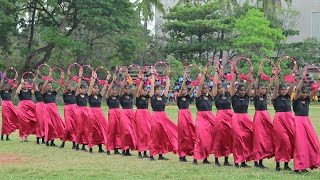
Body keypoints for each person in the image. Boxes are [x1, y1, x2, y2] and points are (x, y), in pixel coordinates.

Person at [292, 72, 320, 174]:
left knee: (311, 142)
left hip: (306, 121)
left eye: (305, 93)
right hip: (298, 121)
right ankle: (297, 167)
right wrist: (302, 79)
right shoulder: (295, 100)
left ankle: (305, 165)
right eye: (302, 93)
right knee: (300, 145)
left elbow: (315, 89)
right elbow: (298, 89)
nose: (304, 94)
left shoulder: (307, 100)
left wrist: (319, 80)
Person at [149, 69, 178, 161]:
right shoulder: (153, 98)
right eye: (158, 89)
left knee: (162, 135)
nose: (159, 91)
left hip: (163, 117)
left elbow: (167, 87)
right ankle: (152, 154)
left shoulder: (163, 98)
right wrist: (153, 74)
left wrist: (168, 77)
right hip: (155, 116)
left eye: (160, 89)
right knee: (154, 135)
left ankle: (161, 154)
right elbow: (152, 85)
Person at [229, 68, 254, 168]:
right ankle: (236, 161)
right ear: (237, 91)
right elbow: (231, 85)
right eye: (241, 90)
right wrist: (234, 74)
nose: (243, 92)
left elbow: (250, 84)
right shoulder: (234, 97)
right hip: (236, 118)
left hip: (246, 118)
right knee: (237, 139)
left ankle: (243, 161)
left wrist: (251, 73)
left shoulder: (247, 97)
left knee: (246, 139)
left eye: (244, 90)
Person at [252, 67, 275, 168]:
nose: (264, 90)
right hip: (258, 117)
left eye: (264, 89)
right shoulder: (256, 96)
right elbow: (256, 86)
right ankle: (256, 161)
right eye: (262, 88)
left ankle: (261, 161)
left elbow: (270, 86)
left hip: (265, 116)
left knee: (265, 138)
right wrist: (258, 75)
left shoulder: (265, 96)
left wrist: (273, 76)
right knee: (258, 138)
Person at [272, 72, 295, 172]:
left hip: (289, 118)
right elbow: (276, 87)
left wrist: (293, 74)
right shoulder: (275, 98)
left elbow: (292, 85)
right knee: (281, 141)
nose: (284, 91)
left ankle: (286, 164)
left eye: (285, 89)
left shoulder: (287, 96)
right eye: (282, 89)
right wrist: (276, 76)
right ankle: (278, 164)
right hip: (279, 119)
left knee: (289, 142)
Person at [193, 67, 216, 165]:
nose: (205, 89)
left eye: (207, 88)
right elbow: (200, 86)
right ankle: (195, 158)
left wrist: (216, 72)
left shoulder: (210, 97)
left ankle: (205, 158)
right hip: (201, 118)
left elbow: (215, 84)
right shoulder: (198, 97)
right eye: (204, 88)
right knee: (200, 137)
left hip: (210, 118)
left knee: (208, 138)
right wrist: (203, 75)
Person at [212, 65, 233, 167]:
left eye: (222, 88)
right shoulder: (216, 96)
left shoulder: (229, 95)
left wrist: (234, 73)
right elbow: (215, 84)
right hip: (220, 118)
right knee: (219, 138)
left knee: (228, 138)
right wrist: (216, 72)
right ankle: (216, 159)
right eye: (219, 88)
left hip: (229, 117)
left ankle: (226, 159)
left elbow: (232, 83)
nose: (220, 90)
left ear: (225, 89)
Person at [42, 71, 65, 147]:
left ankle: (52, 141)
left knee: (55, 125)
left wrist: (61, 79)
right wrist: (48, 79)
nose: (49, 87)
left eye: (50, 86)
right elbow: (43, 87)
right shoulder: (44, 93)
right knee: (48, 125)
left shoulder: (54, 93)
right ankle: (47, 141)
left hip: (54, 110)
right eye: (48, 86)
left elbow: (60, 87)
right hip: (46, 110)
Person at [87, 72, 109, 153]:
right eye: (95, 88)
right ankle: (90, 148)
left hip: (99, 113)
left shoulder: (99, 96)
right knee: (92, 130)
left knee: (101, 129)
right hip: (92, 113)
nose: (96, 89)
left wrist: (107, 79)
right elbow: (90, 86)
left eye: (97, 88)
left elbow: (104, 88)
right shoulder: (90, 95)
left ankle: (100, 148)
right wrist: (94, 78)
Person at [177, 72, 196, 162]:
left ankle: (188, 151)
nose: (184, 91)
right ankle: (181, 155)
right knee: (182, 134)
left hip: (188, 115)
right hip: (182, 115)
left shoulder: (187, 97)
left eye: (185, 90)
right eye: (183, 90)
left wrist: (194, 85)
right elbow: (180, 90)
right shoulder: (179, 97)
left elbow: (191, 91)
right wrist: (184, 81)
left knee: (189, 133)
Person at [119, 73, 138, 156]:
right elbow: (121, 88)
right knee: (126, 131)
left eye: (128, 89)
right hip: (124, 113)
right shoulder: (121, 96)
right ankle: (124, 148)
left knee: (131, 131)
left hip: (131, 113)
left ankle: (128, 149)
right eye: (126, 89)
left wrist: (138, 81)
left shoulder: (131, 95)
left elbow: (136, 89)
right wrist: (124, 79)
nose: (127, 90)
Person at [59, 69, 78, 149]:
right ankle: (63, 142)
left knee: (74, 126)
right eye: (68, 86)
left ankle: (74, 143)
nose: (69, 86)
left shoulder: (74, 92)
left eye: (70, 85)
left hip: (74, 108)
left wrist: (79, 77)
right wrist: (68, 77)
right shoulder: (64, 93)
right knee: (68, 127)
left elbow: (78, 85)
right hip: (67, 109)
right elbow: (66, 84)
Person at [135, 71, 151, 159]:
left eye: (146, 90)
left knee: (147, 133)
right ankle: (140, 152)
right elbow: (139, 89)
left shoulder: (147, 97)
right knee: (141, 133)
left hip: (146, 114)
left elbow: (151, 91)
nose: (145, 92)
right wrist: (141, 80)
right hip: (140, 114)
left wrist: (151, 79)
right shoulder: (138, 97)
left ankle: (145, 151)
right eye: (144, 90)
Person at [16, 78, 37, 142]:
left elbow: (34, 91)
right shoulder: (20, 91)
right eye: (24, 84)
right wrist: (21, 83)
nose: (25, 85)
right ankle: (21, 137)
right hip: (22, 106)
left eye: (26, 84)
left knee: (28, 122)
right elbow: (17, 92)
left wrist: (34, 83)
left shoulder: (30, 91)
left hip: (29, 106)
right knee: (22, 122)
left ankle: (26, 137)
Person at [106, 75, 122, 155]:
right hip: (112, 113)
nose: (114, 91)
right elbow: (108, 90)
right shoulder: (108, 98)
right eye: (113, 90)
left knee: (118, 131)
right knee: (111, 131)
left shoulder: (118, 97)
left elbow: (121, 89)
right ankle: (108, 149)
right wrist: (112, 81)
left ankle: (116, 149)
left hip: (118, 113)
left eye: (116, 90)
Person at [0, 72, 19, 141]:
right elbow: (1, 85)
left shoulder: (10, 91)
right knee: (5, 120)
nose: (7, 87)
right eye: (6, 86)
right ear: (4, 86)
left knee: (10, 120)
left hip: (10, 105)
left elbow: (16, 85)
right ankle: (2, 136)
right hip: (5, 105)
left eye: (8, 86)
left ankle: (7, 137)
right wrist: (3, 78)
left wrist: (16, 78)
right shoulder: (1, 91)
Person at [75, 76, 89, 152]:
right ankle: (77, 145)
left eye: (83, 89)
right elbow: (77, 86)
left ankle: (84, 145)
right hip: (79, 111)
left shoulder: (86, 95)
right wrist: (80, 77)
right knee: (79, 128)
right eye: (81, 88)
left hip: (85, 112)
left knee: (85, 129)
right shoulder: (77, 95)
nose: (82, 90)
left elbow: (90, 87)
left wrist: (93, 78)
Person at [33, 75, 46, 144]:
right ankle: (38, 139)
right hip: (38, 107)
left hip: (44, 107)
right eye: (41, 85)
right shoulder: (37, 92)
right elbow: (33, 83)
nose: (42, 86)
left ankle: (43, 139)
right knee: (38, 123)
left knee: (44, 123)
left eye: (43, 85)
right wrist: (37, 76)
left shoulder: (45, 93)